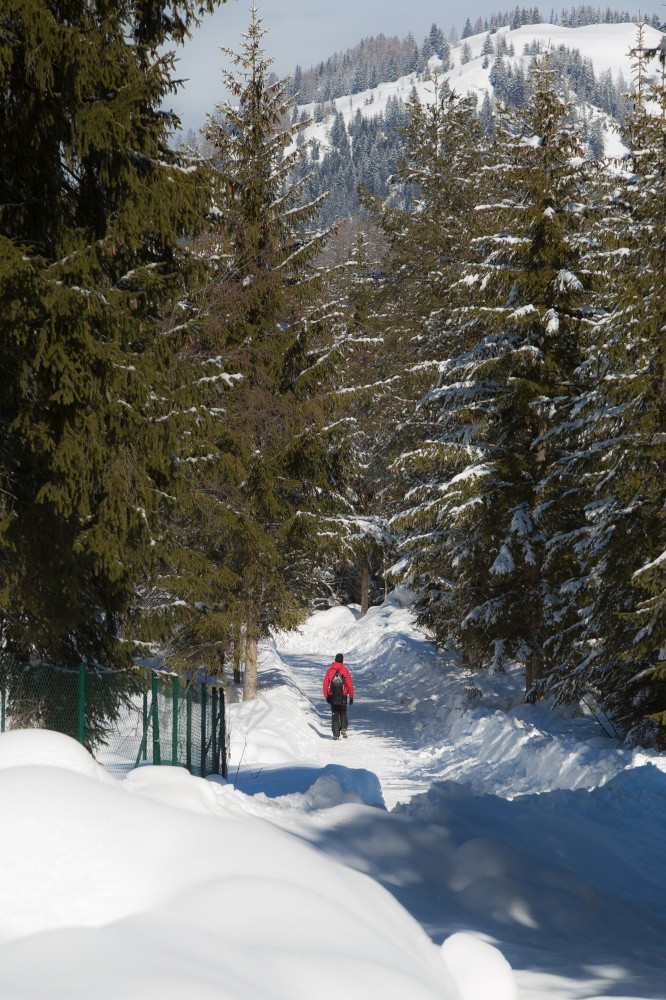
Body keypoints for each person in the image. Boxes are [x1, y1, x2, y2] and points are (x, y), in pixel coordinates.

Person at [323, 653, 354, 740]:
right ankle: (344, 728)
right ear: (342, 661)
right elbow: (350, 684)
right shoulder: (345, 670)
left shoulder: (329, 671)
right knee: (343, 712)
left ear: (335, 660)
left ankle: (336, 734)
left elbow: (325, 684)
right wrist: (351, 696)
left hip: (333, 696)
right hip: (343, 695)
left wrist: (326, 695)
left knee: (335, 713)